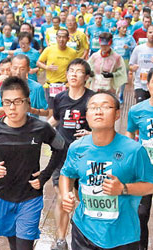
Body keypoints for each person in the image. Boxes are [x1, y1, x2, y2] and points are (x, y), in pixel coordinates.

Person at [0, 76, 64, 250]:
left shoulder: (40, 128)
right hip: (3, 197)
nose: (12, 107)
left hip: (30, 197)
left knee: (24, 246)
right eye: (7, 102)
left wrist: (45, 175)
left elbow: (61, 148)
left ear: (27, 102)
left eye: (18, 101)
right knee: (13, 243)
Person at [60, 92, 153, 250]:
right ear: (87, 115)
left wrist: (123, 189)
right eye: (93, 107)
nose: (98, 111)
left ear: (117, 114)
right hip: (84, 230)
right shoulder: (77, 147)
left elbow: (151, 185)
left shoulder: (134, 150)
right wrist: (66, 194)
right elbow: (66, 173)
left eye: (105, 107)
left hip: (122, 235)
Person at [48, 59, 95, 250]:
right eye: (71, 71)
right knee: (63, 197)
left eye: (79, 71)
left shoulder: (92, 99)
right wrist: (36, 130)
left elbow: (103, 126)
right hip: (62, 156)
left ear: (86, 77)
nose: (74, 74)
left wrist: (92, 134)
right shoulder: (59, 98)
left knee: (84, 198)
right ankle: (60, 239)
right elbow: (55, 119)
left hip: (86, 158)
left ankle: (85, 234)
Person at [126, 65, 153, 250]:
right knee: (141, 213)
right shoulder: (136, 110)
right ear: (148, 85)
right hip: (144, 170)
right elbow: (130, 133)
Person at [37, 29, 77, 115]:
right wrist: (47, 67)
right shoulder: (49, 49)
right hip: (51, 85)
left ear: (68, 39)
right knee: (51, 111)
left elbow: (75, 67)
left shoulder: (73, 52)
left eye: (64, 37)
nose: (61, 39)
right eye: (59, 37)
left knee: (64, 110)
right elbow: (39, 62)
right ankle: (50, 128)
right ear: (56, 38)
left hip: (65, 85)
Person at [129, 25, 153, 103]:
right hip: (140, 84)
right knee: (141, 107)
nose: (152, 35)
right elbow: (130, 65)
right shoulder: (138, 49)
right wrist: (133, 68)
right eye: (150, 32)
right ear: (146, 34)